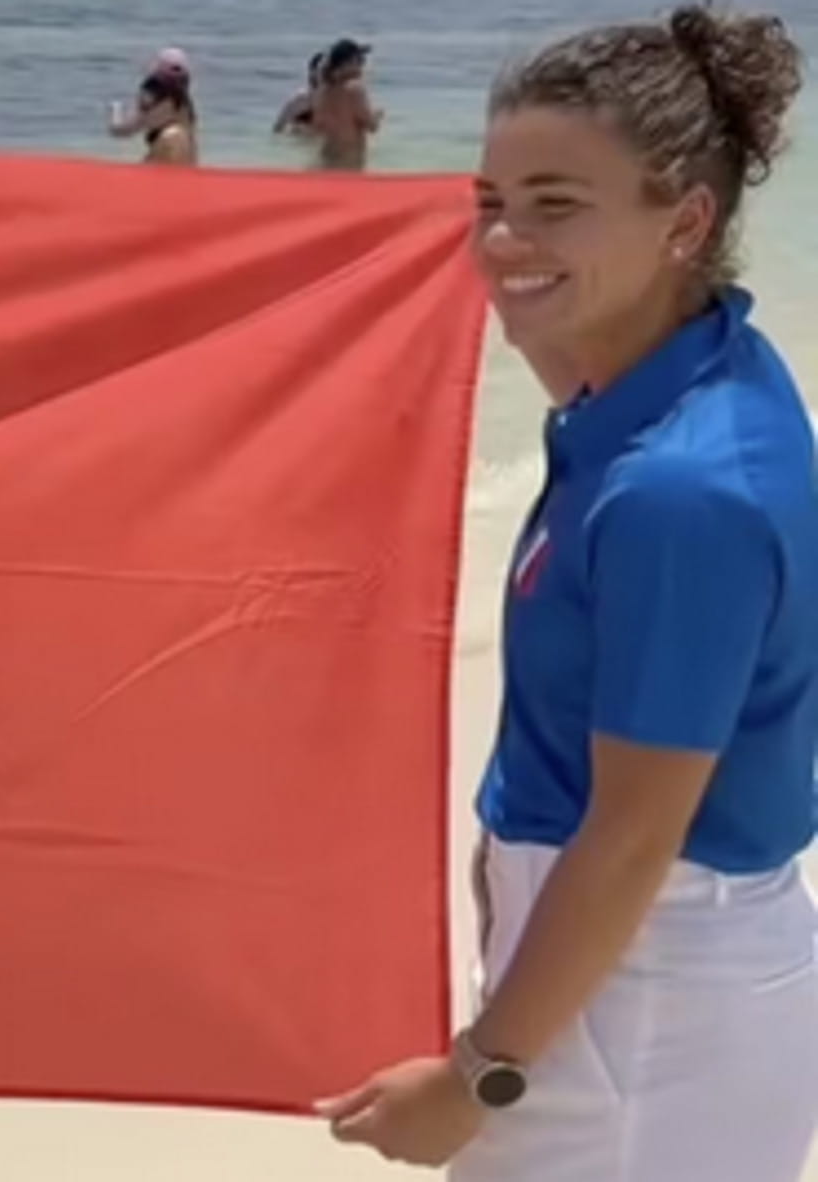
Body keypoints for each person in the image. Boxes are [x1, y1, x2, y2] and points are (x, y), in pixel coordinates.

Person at [318, 7, 816, 1180]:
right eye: (489, 201)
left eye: (555, 203)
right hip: (614, 984)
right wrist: (532, 272)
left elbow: (636, 836)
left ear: (686, 221)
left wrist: (479, 1075)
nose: (503, 238)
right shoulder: (682, 369)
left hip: (642, 1011)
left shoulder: (681, 492)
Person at [107, 49, 198, 165]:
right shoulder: (186, 105)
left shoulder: (149, 95)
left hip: (164, 145)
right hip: (185, 151)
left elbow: (123, 129)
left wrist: (114, 110)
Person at [309, 38, 381, 170]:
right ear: (347, 63)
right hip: (350, 160)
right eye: (360, 61)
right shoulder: (355, 89)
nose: (363, 66)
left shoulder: (322, 91)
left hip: (327, 156)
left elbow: (317, 127)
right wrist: (377, 115)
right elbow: (372, 126)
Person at [273, 52, 324, 137]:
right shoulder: (301, 98)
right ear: (313, 72)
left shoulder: (337, 99)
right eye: (322, 70)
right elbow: (278, 128)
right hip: (299, 142)